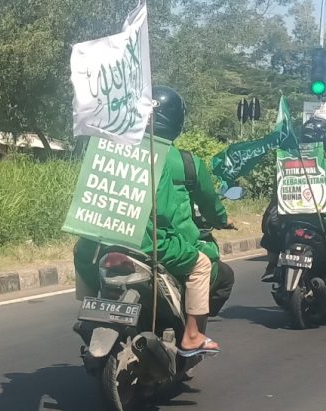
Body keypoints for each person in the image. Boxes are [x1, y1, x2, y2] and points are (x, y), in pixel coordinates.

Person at [73, 88, 220, 357]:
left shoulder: (111, 150)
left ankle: (90, 306)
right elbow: (167, 215)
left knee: (80, 250)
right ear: (176, 122)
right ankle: (192, 334)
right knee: (201, 264)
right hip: (148, 244)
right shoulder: (172, 159)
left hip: (99, 237)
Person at [151, 85, 235, 317]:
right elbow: (210, 204)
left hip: (115, 241)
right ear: (177, 121)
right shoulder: (187, 163)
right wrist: (222, 220)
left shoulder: (122, 153)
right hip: (167, 244)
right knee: (223, 274)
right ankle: (192, 333)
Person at [260, 117, 326, 294]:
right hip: (323, 222)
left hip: (288, 220)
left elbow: (277, 194)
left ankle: (271, 266)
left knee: (272, 227)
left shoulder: (285, 164)